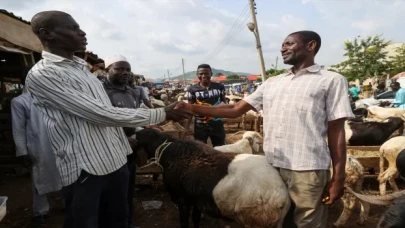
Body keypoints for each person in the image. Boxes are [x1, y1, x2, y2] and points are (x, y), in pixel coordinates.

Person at [26, 11, 190, 228]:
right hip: (86, 166)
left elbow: (105, 111)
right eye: (73, 28)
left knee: (117, 220)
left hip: (115, 159)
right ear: (47, 34)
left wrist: (125, 144)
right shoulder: (44, 75)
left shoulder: (82, 69)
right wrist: (162, 113)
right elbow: (98, 113)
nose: (82, 33)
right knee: (85, 223)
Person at [176, 31, 353, 228]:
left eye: (289, 44)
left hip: (308, 168)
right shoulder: (272, 82)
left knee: (307, 223)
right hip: (271, 166)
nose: (282, 48)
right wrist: (191, 107)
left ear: (311, 46)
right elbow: (235, 109)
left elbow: (336, 130)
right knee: (276, 220)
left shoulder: (330, 80)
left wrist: (339, 176)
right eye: (282, 44)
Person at [11, 86, 62, 227]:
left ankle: (65, 203)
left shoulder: (53, 97)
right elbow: (18, 128)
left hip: (60, 144)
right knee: (39, 177)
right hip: (38, 146)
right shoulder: (20, 101)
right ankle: (41, 211)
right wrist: (22, 151)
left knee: (65, 174)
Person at [184, 64, 227, 147]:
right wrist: (186, 127)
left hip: (217, 124)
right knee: (200, 149)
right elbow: (189, 109)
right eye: (201, 74)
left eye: (206, 73)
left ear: (211, 73)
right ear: (197, 75)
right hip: (200, 125)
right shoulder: (192, 89)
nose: (203, 76)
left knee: (220, 148)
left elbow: (224, 102)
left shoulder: (219, 87)